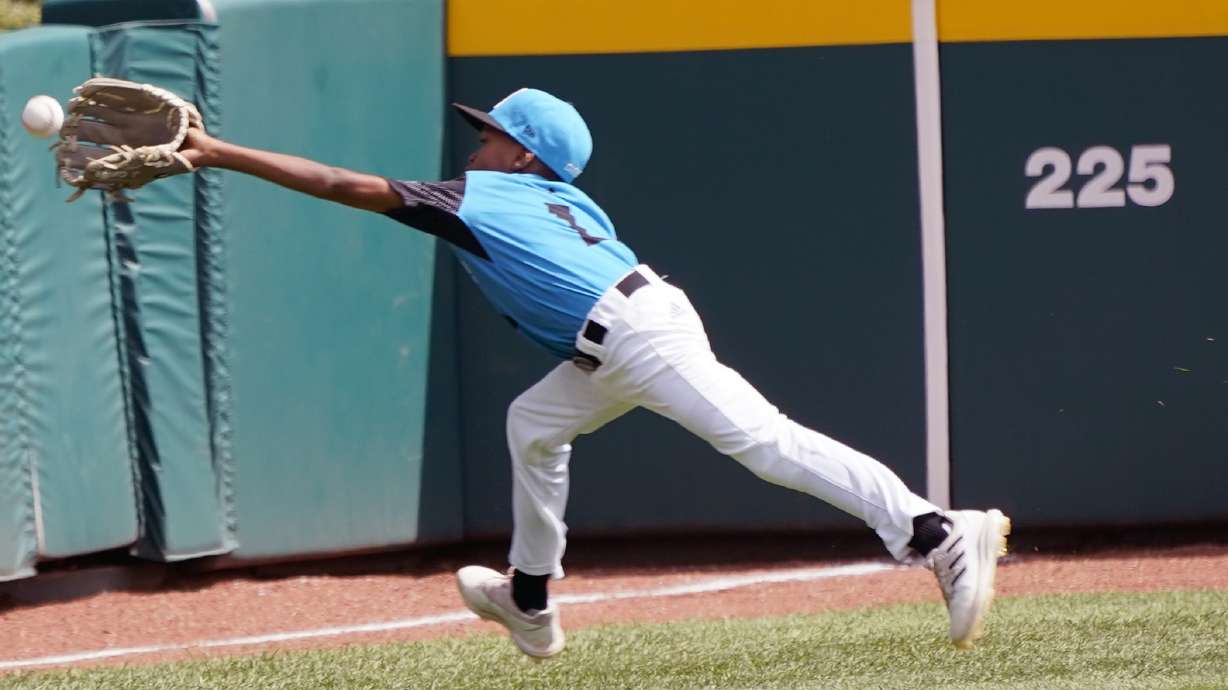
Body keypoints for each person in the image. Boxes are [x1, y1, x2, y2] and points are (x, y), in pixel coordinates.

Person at [178, 87, 1010, 658]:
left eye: (493, 135)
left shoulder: (488, 195)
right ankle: (531, 601)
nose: (479, 142)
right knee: (534, 427)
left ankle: (935, 531)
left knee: (764, 444)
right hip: (623, 332)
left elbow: (342, 184)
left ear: (526, 158)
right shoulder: (559, 201)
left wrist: (214, 150)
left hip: (634, 333)